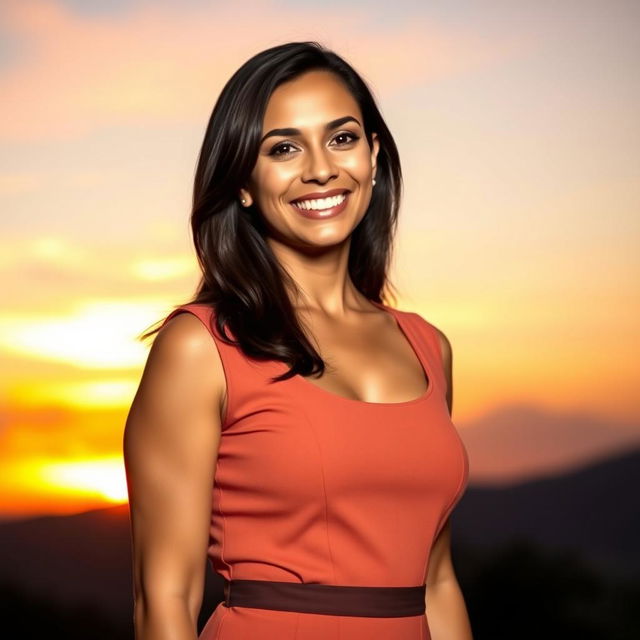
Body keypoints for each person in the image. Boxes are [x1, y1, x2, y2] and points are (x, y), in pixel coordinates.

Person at [123, 41, 472, 640]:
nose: (321, 168)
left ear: (373, 155)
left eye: (342, 138)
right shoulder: (200, 347)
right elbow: (165, 597)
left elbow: (436, 580)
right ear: (243, 184)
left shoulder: (428, 348)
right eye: (283, 148)